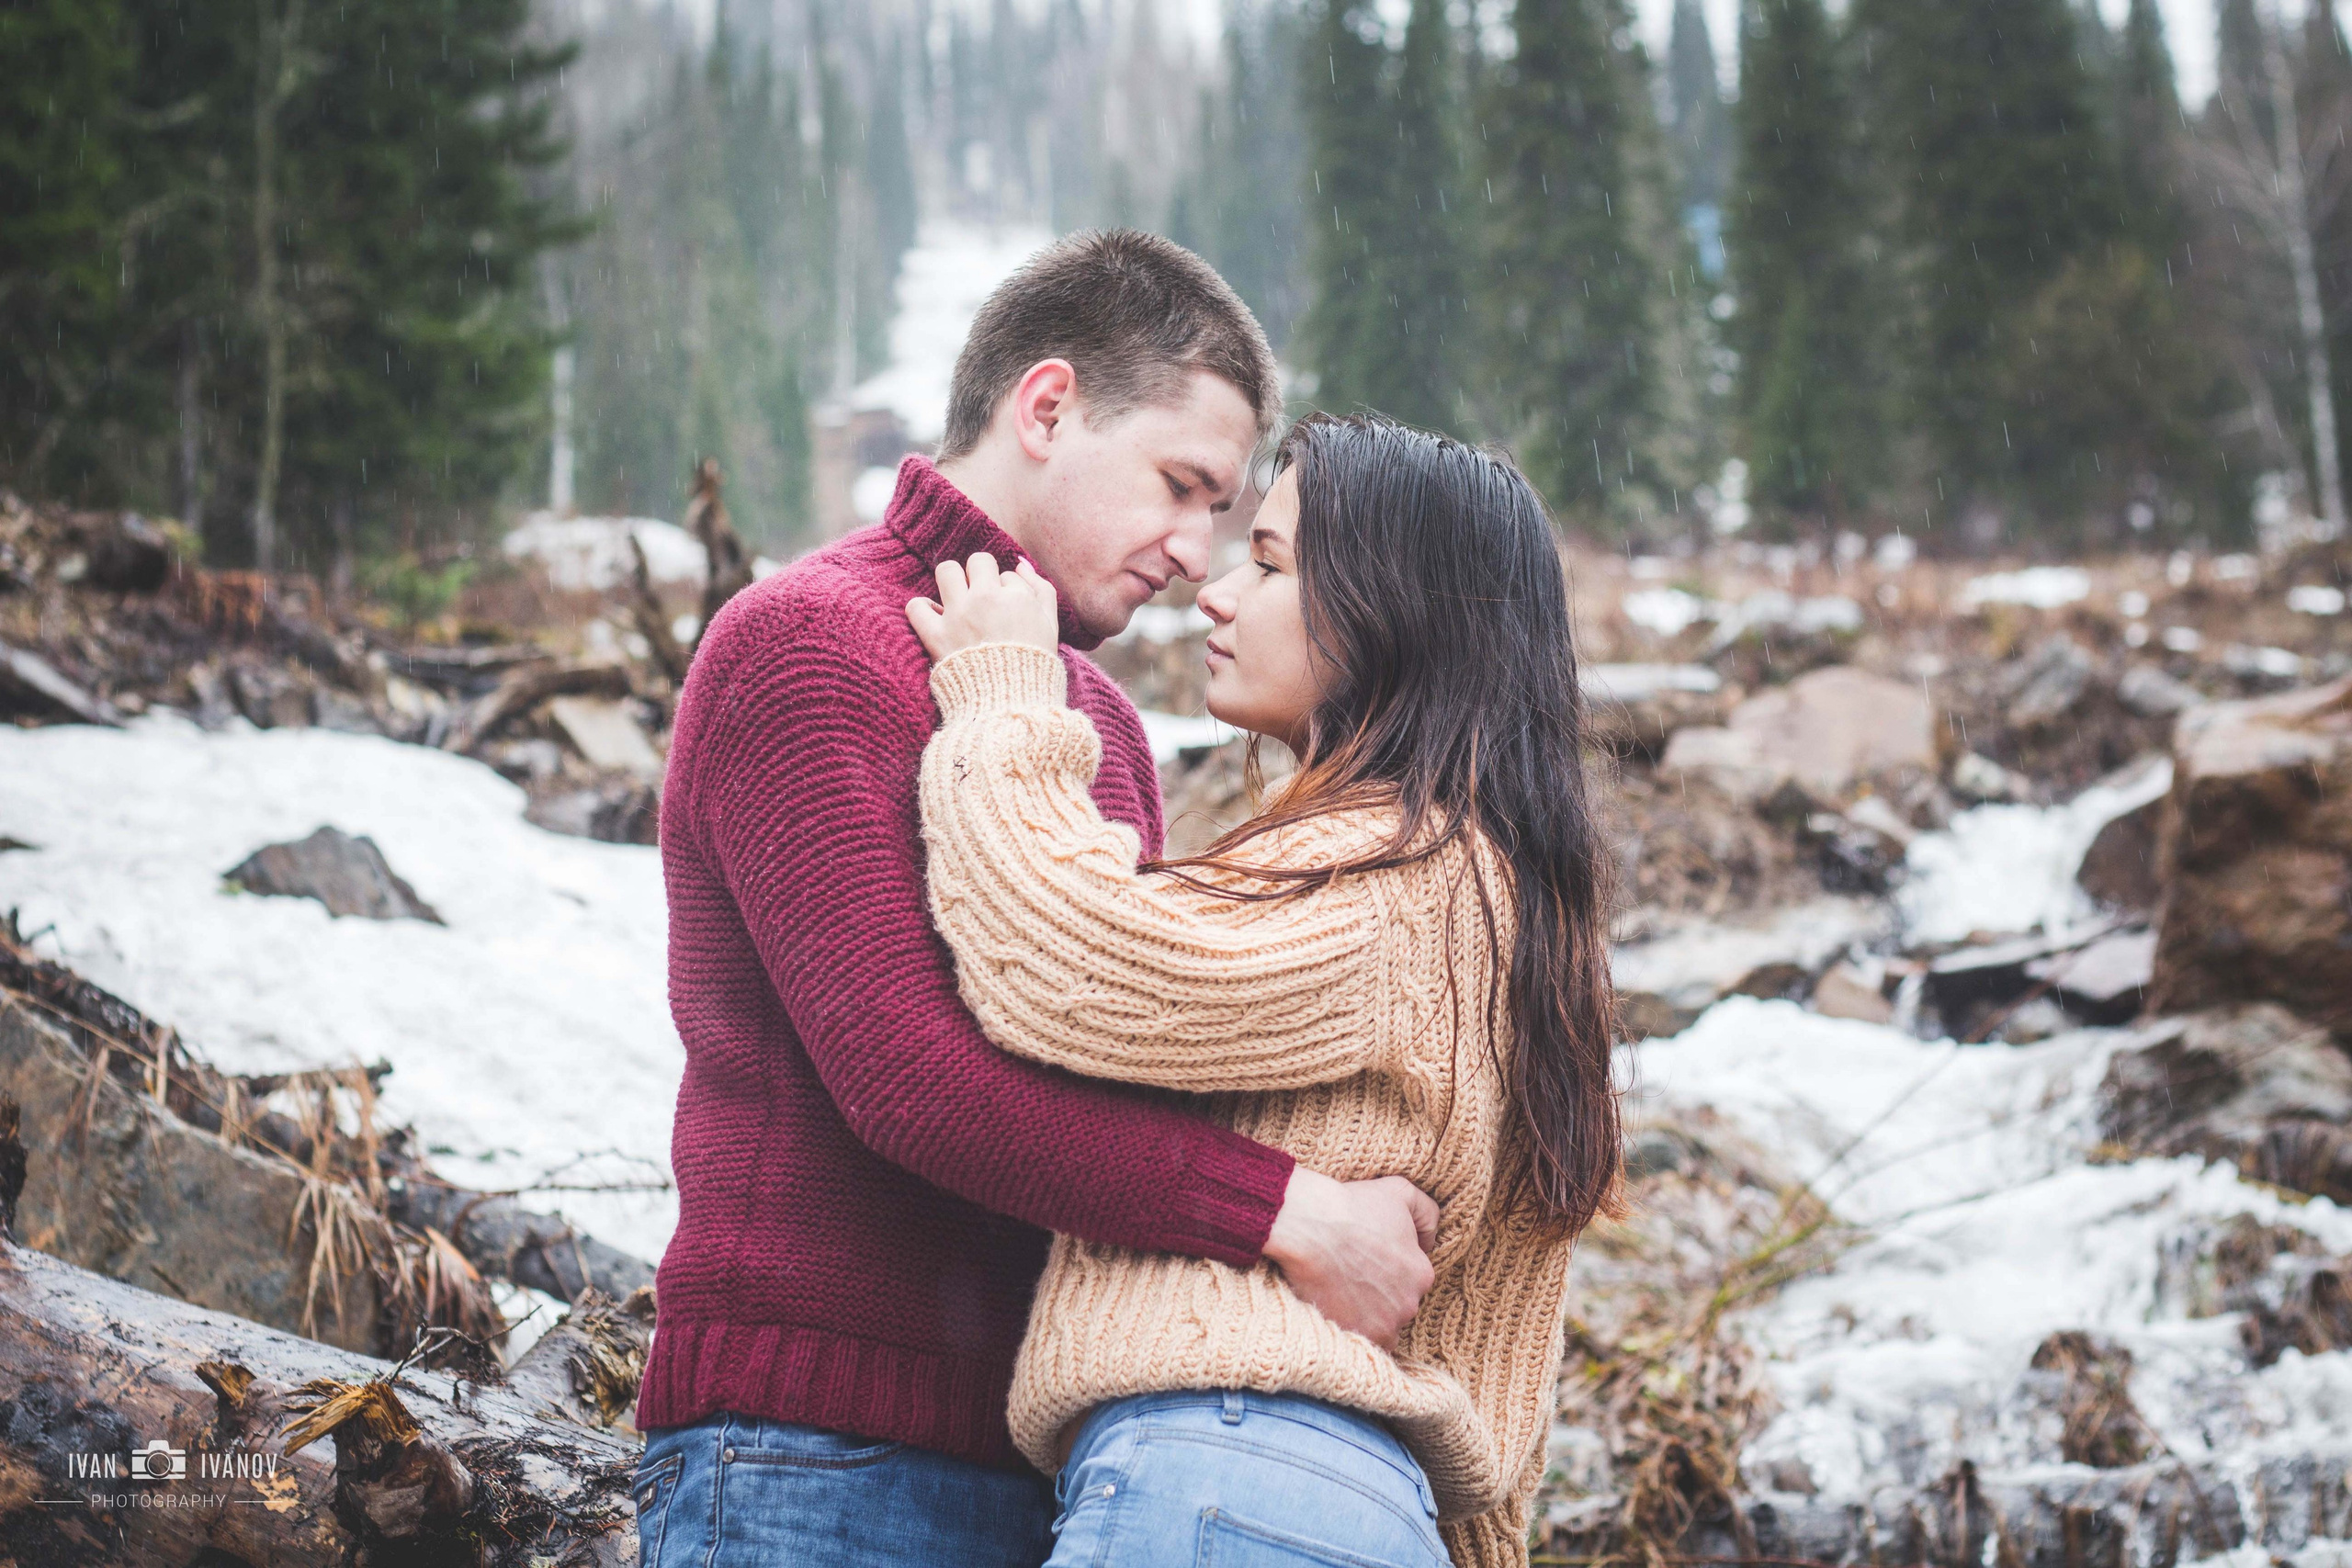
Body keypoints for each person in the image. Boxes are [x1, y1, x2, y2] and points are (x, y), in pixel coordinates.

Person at [630, 233, 1442, 1568]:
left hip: (1051, 1459)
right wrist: (1287, 1213)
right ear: (1048, 405)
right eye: (1182, 487)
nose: (1192, 554)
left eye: (1224, 517)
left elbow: (1116, 1059)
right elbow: (908, 1080)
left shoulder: (1099, 722)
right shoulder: (805, 644)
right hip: (806, 1456)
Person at [904, 412, 1625, 1568]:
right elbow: (1488, 1345)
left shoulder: (1402, 874)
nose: (1215, 593)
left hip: (1227, 1477)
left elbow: (1074, 965)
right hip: (1342, 1506)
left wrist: (1003, 695)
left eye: (1271, 563)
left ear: (1396, 612)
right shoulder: (1492, 891)